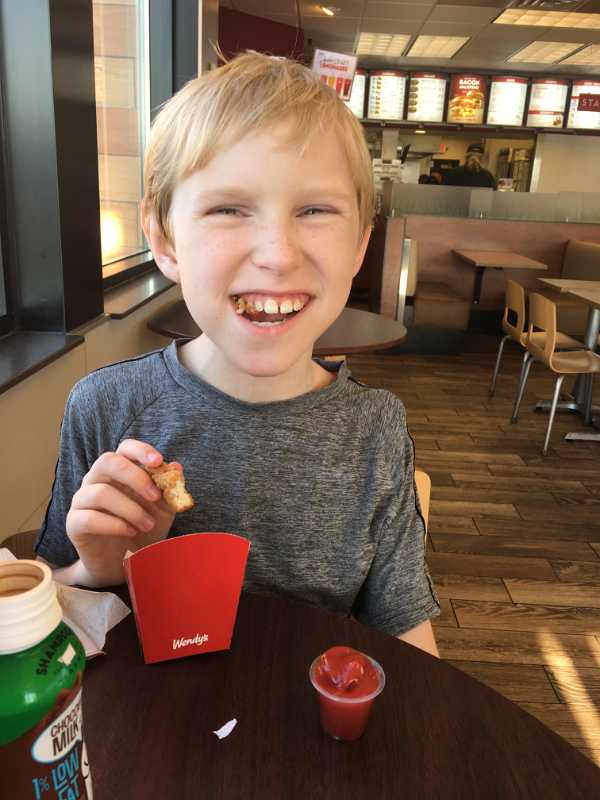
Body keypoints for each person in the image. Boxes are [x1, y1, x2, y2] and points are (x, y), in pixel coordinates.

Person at [35, 53, 440, 657]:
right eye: (228, 209)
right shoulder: (106, 406)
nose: (277, 254)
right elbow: (50, 601)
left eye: (315, 210)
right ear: (165, 239)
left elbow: (407, 637)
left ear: (360, 244)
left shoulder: (375, 429)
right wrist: (100, 568)